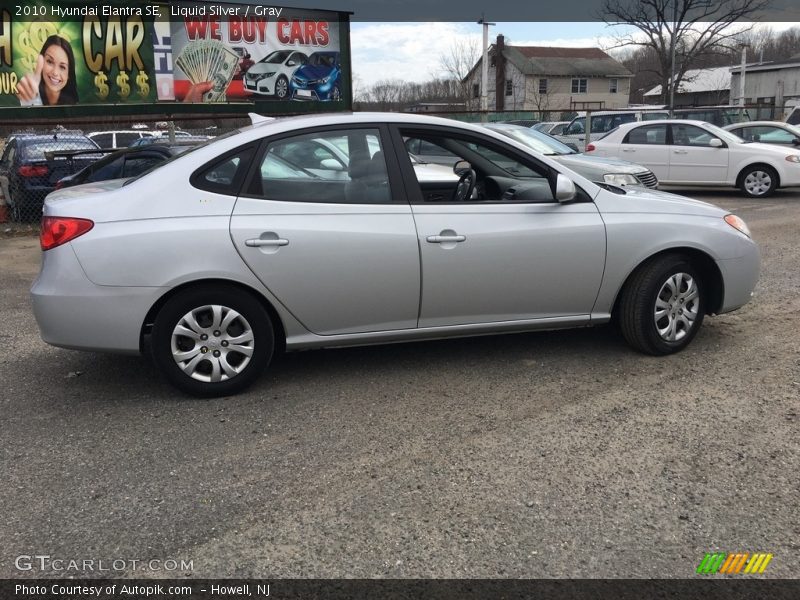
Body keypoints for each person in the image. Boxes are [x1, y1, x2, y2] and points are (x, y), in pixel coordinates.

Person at [16, 35, 79, 106]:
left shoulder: (73, 106)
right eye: (49, 62)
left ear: (69, 74)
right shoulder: (31, 90)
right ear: (41, 62)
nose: (55, 72)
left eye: (62, 67)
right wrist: (26, 101)